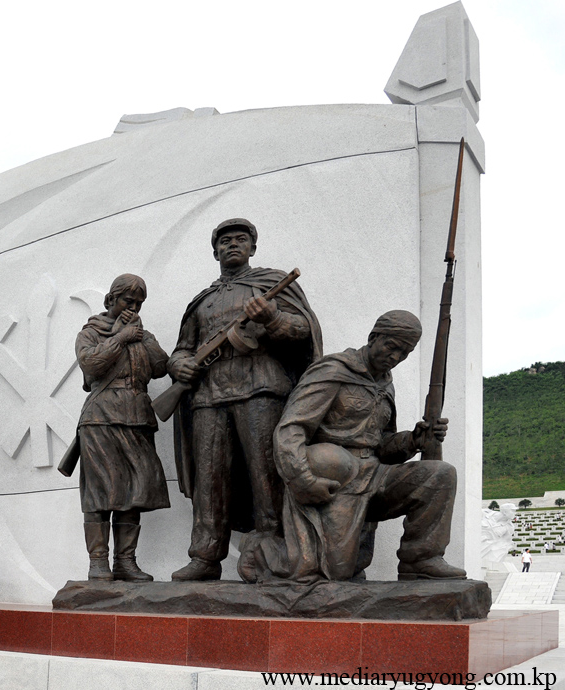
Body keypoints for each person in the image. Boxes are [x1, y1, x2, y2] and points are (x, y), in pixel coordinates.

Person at [168, 218, 321, 581]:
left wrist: (273, 317)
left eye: (240, 239)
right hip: (208, 397)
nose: (232, 245)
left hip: (261, 389)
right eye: (224, 241)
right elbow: (182, 349)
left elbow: (304, 332)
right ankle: (205, 556)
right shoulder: (202, 301)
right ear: (215, 252)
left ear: (253, 247)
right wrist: (180, 365)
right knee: (209, 480)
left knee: (266, 476)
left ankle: (274, 553)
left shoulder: (271, 284)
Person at [267, 309, 466, 582]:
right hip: (335, 476)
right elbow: (291, 428)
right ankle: (260, 550)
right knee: (338, 572)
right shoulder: (333, 370)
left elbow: (381, 445)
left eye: (404, 353)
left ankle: (421, 560)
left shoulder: (386, 384)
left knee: (440, 474)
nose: (396, 357)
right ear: (374, 338)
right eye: (392, 346)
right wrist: (301, 479)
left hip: (374, 475)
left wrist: (412, 440)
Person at [75, 274, 171, 581]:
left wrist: (140, 337)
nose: (134, 307)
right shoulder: (91, 332)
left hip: (137, 419)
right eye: (128, 301)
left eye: (139, 303)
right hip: (100, 418)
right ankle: (98, 562)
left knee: (135, 491)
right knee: (100, 492)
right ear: (110, 300)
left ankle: (125, 561)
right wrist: (120, 338)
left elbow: (160, 367)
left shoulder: (142, 334)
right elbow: (90, 364)